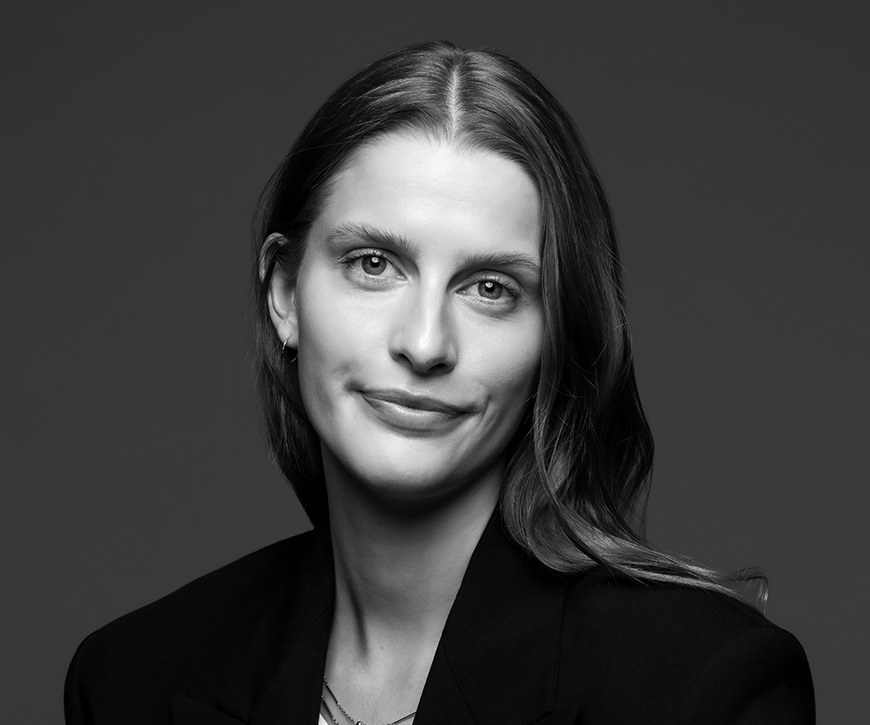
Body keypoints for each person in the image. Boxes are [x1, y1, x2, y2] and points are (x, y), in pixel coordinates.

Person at [64, 41, 814, 724]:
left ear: (554, 337)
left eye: (490, 288)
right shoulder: (132, 679)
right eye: (373, 265)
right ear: (284, 293)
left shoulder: (700, 689)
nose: (425, 344)